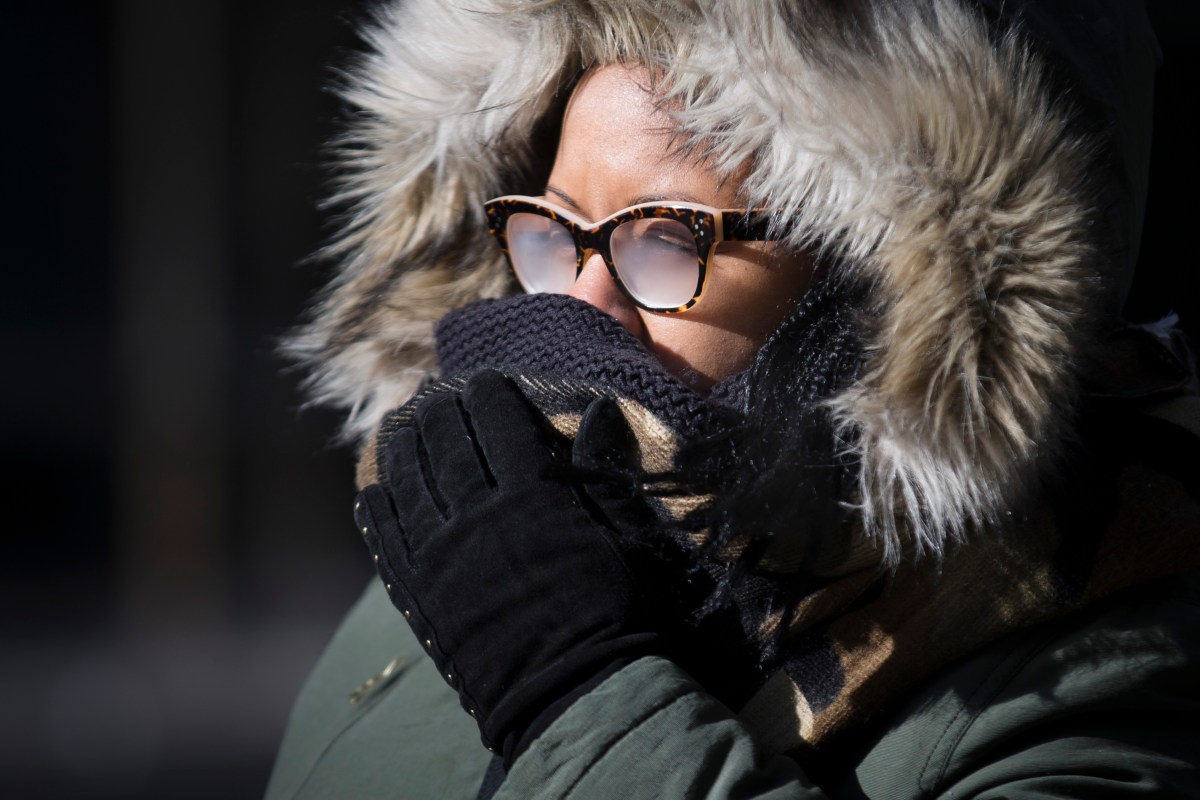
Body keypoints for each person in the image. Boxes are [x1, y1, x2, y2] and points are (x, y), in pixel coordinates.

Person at [266, 1, 1200, 798]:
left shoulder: (1096, 687)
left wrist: (581, 697)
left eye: (666, 240)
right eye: (552, 231)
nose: (577, 306)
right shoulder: (481, 535)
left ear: (890, 294)